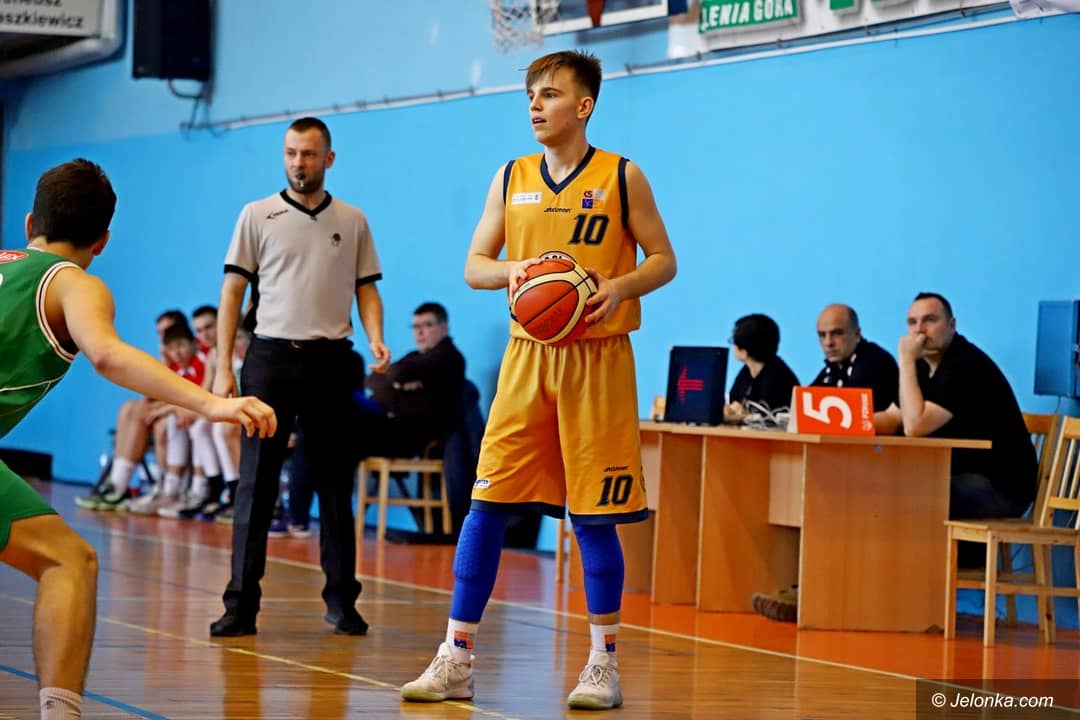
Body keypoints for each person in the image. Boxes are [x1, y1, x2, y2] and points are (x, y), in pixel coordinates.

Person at [401, 51, 676, 710]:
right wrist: (516, 272)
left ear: (583, 106)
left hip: (598, 359)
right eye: (531, 95)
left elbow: (664, 259)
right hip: (527, 359)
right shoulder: (511, 176)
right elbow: (475, 265)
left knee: (593, 516)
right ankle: (456, 658)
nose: (535, 104)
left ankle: (603, 665)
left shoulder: (622, 175)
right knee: (487, 505)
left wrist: (620, 286)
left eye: (550, 94)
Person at [0, 158, 276, 720]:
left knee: (69, 558)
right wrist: (214, 403)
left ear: (30, 223)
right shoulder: (72, 283)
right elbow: (106, 353)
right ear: (102, 241)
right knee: (69, 564)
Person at [209, 116, 391, 638]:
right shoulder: (256, 215)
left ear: (328, 159)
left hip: (332, 361)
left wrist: (376, 335)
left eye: (308, 154)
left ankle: (343, 602)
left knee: (334, 484)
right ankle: (241, 605)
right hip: (270, 360)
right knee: (257, 484)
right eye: (291, 153)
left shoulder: (352, 220)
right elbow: (232, 292)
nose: (298, 163)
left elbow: (366, 287)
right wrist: (222, 366)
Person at [879, 293, 1037, 530]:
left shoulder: (965, 364)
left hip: (1001, 488)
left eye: (929, 320)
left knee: (912, 493)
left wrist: (906, 361)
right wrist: (846, 423)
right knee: (880, 485)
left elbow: (915, 426)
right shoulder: (922, 364)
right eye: (912, 322)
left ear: (951, 325)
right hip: (960, 476)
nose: (919, 330)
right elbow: (893, 417)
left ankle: (921, 557)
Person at [75, 308, 188, 511]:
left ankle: (120, 487)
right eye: (160, 333)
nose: (163, 337)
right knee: (129, 408)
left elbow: (185, 395)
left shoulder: (189, 355)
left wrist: (160, 409)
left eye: (166, 331)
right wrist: (165, 360)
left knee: (143, 414)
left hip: (180, 412)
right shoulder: (171, 357)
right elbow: (152, 394)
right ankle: (116, 484)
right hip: (169, 407)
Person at [361, 302, 466, 459]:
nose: (419, 332)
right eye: (415, 327)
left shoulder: (448, 356)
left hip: (420, 433)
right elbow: (372, 380)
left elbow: (398, 372)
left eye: (427, 325)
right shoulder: (414, 356)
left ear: (444, 328)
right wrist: (399, 384)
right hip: (398, 426)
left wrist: (396, 380)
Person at [810, 303, 899, 433]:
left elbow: (845, 416)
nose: (828, 342)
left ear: (857, 334)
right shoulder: (834, 367)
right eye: (822, 335)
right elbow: (804, 406)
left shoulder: (874, 362)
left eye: (837, 333)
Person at [724, 313, 799, 422]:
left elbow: (767, 417)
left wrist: (744, 414)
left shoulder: (778, 379)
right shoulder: (746, 372)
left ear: (744, 352)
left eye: (733, 341)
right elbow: (734, 401)